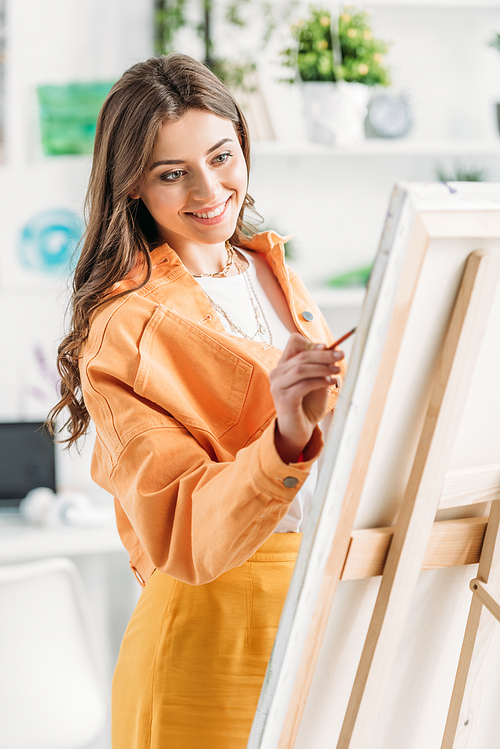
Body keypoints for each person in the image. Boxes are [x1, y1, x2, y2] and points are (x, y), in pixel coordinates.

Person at [49, 53, 346, 749]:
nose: (211, 189)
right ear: (132, 187)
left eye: (222, 155)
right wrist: (283, 439)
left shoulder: (274, 271)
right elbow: (184, 530)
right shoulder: (122, 327)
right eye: (172, 172)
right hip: (206, 635)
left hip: (313, 616)